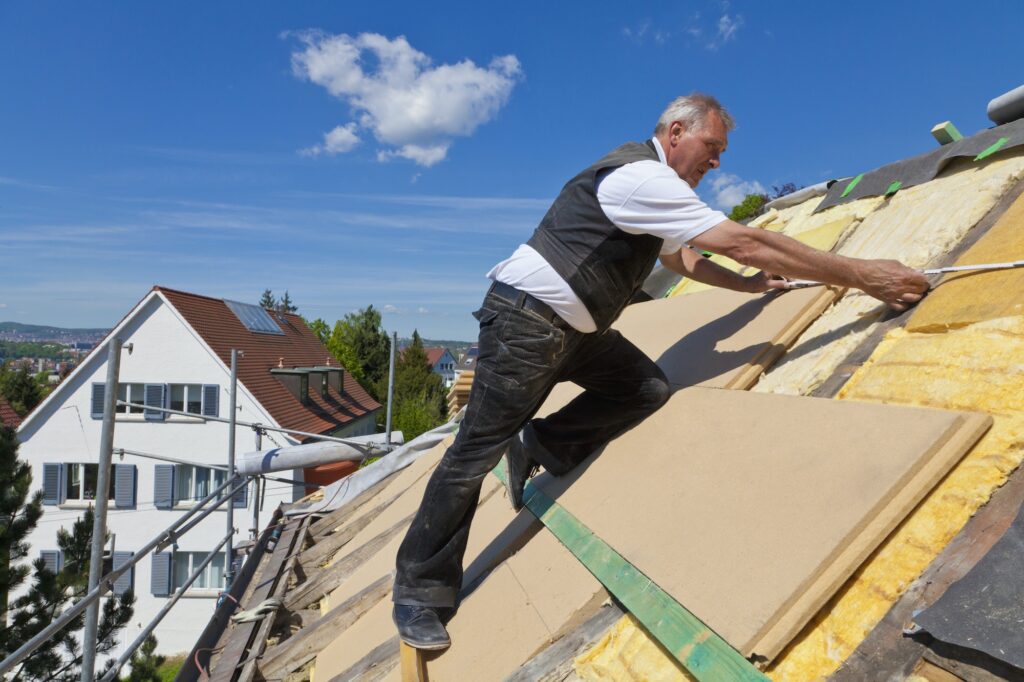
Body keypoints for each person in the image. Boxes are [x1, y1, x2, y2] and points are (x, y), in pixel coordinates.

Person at [391, 93, 929, 649]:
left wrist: (747, 287)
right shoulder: (641, 178)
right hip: (525, 324)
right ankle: (419, 593)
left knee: (646, 388)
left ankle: (542, 441)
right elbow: (744, 240)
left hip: (578, 333)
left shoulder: (657, 194)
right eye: (711, 147)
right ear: (675, 132)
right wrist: (863, 275)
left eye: (720, 153)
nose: (715, 162)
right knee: (471, 456)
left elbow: (682, 258)